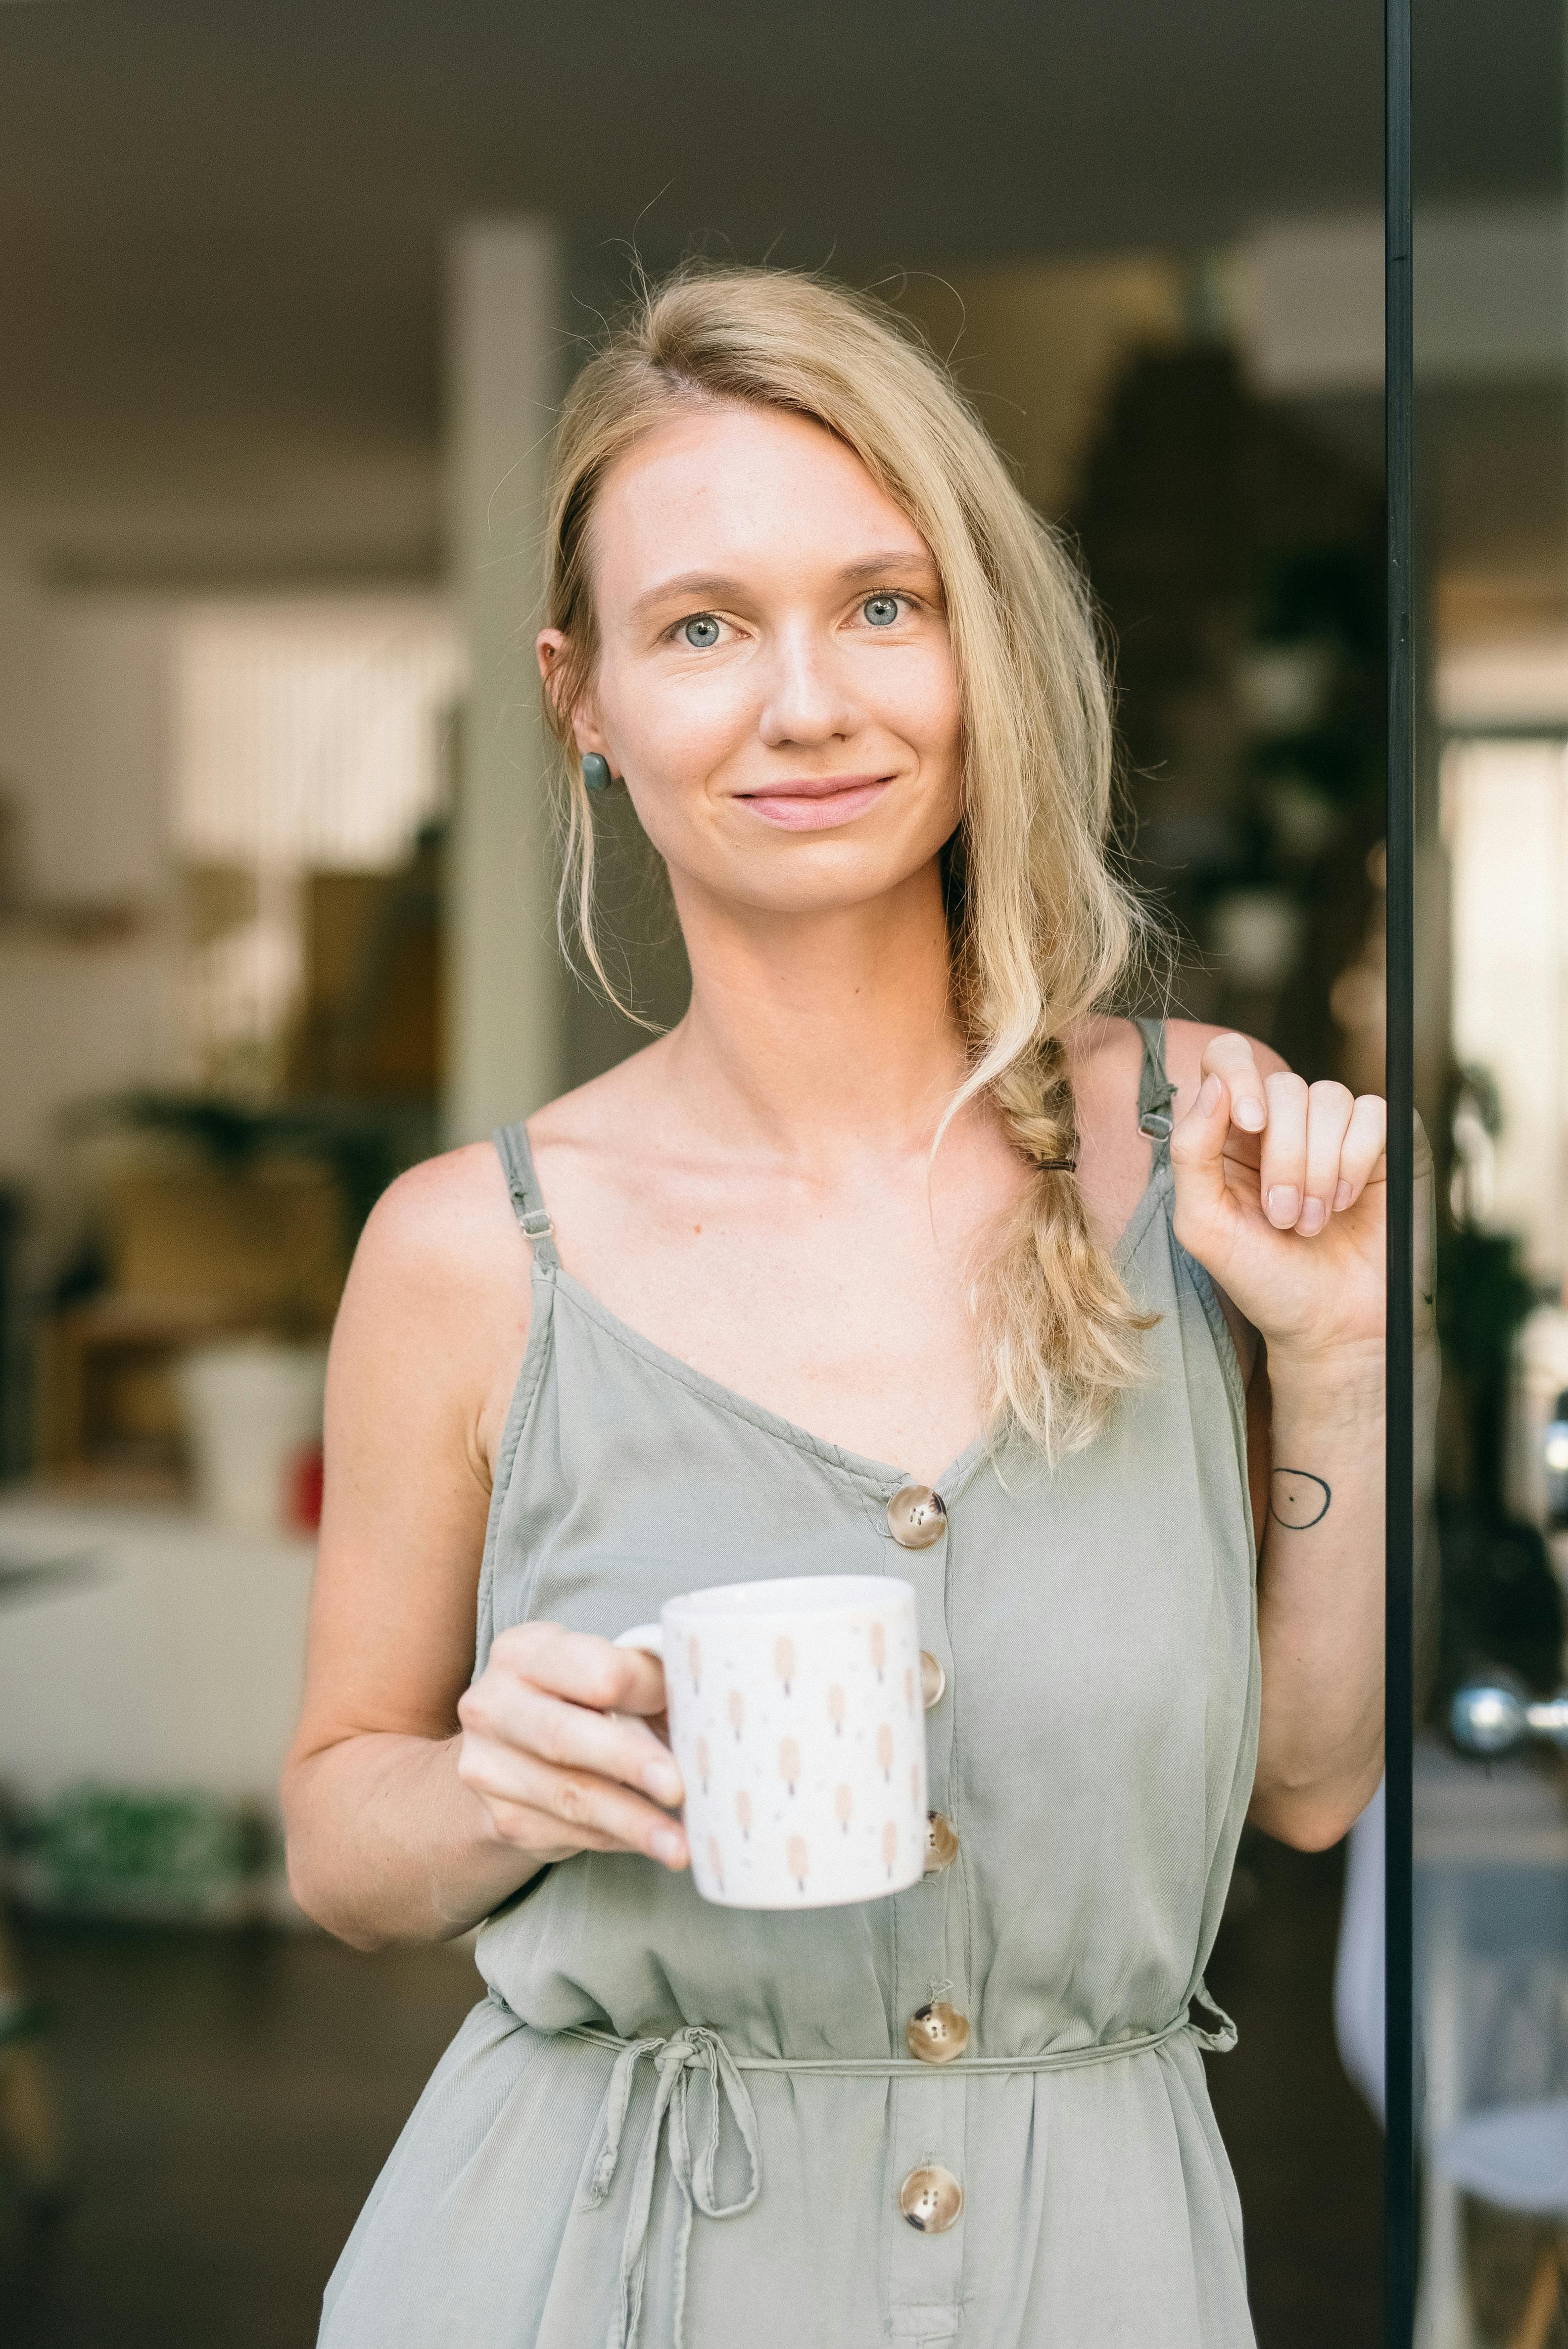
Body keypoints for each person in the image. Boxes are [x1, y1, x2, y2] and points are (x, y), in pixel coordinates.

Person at [282, 267, 1386, 2349]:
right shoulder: (467, 1248)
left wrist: (1332, 1352)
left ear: (975, 650)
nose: (804, 702)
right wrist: (502, 1786)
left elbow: (1307, 1782)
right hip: (571, 2279)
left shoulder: (1203, 1158)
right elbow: (345, 1840)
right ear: (581, 697)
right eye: (701, 627)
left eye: (881, 605)